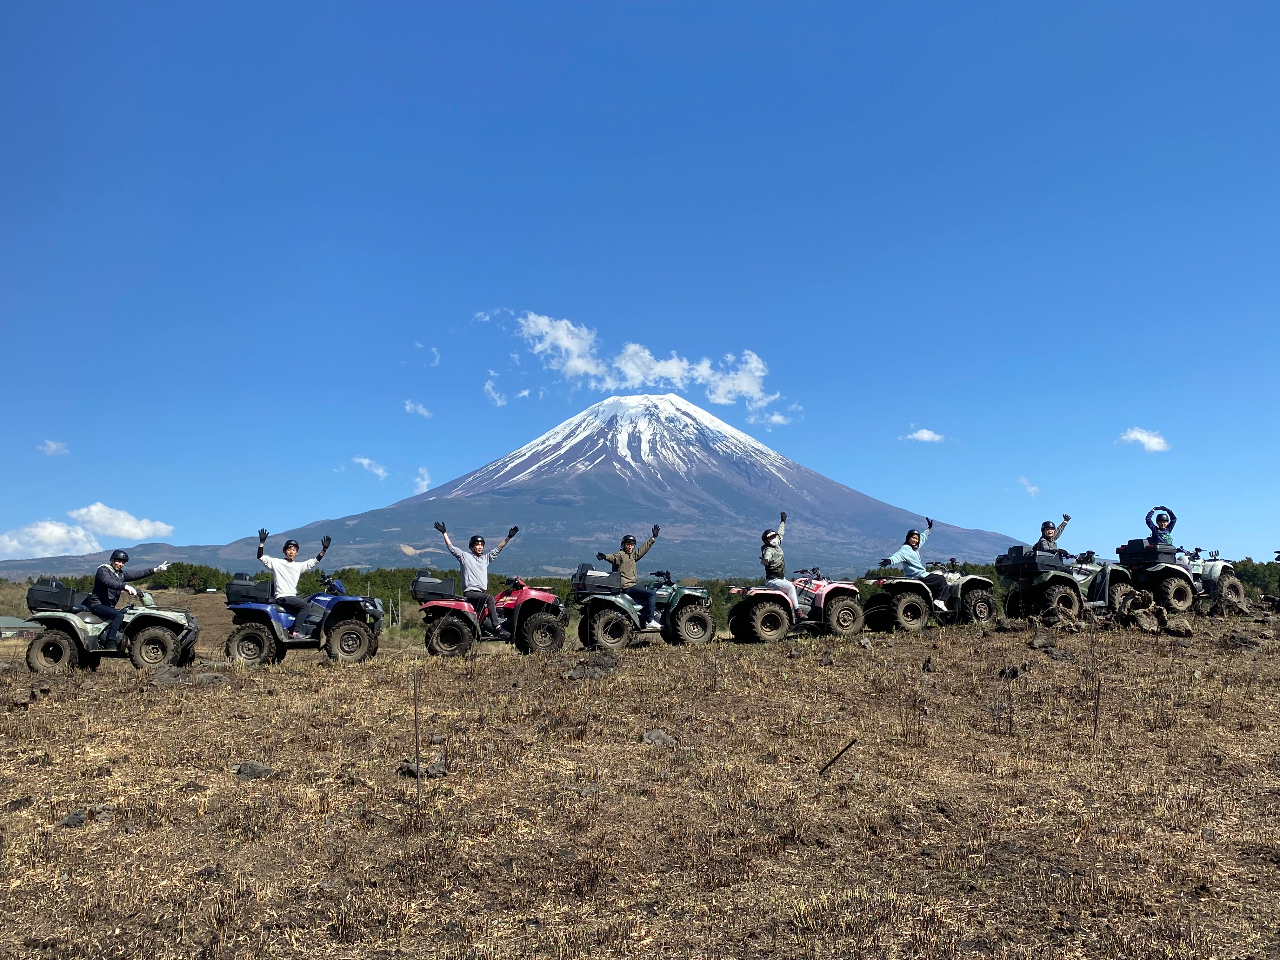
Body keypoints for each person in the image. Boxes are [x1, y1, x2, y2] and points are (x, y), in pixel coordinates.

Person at [435, 521, 517, 637]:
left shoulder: (485, 559)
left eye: (482, 545)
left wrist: (509, 537)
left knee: (498, 606)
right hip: (471, 593)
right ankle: (497, 628)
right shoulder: (465, 557)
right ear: (472, 547)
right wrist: (444, 533)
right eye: (477, 545)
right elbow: (451, 548)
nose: (480, 547)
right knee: (490, 599)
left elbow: (498, 548)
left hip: (480, 593)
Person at [87, 550, 170, 649]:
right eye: (118, 561)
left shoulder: (120, 574)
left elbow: (137, 574)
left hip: (109, 606)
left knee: (127, 613)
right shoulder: (103, 570)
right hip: (98, 605)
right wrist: (124, 586)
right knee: (118, 616)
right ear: (112, 560)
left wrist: (155, 570)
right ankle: (110, 643)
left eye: (123, 562)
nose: (121, 564)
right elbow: (108, 582)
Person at [258, 528, 331, 638]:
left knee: (309, 602)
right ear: (284, 551)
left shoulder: (298, 566)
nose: (291, 552)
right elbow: (261, 557)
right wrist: (262, 543)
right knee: (305, 606)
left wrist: (324, 549)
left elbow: (314, 562)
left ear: (296, 552)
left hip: (291, 597)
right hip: (283, 596)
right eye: (289, 549)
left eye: (294, 550)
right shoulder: (277, 563)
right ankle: (296, 632)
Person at [597, 525, 662, 629]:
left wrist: (653, 538)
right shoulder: (621, 555)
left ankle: (644, 616)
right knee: (652, 594)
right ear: (623, 545)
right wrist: (605, 556)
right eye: (628, 544)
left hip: (631, 586)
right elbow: (614, 557)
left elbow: (642, 550)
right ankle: (650, 621)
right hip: (628, 587)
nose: (630, 547)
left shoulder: (632, 556)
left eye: (632, 545)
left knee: (647, 590)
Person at [879, 518, 948, 611]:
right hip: (918, 576)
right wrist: (889, 560)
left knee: (937, 579)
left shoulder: (914, 548)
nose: (915, 540)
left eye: (916, 538)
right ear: (908, 538)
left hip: (918, 575)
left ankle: (932, 600)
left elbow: (922, 538)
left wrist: (928, 529)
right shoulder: (905, 549)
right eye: (913, 538)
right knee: (941, 579)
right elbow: (897, 556)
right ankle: (939, 600)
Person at [760, 511, 799, 612]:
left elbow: (780, 532)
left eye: (774, 536)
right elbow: (767, 555)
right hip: (773, 580)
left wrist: (783, 522)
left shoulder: (777, 543)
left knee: (796, 586)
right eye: (770, 538)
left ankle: (792, 607)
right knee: (790, 587)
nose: (774, 539)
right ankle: (797, 611)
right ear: (766, 541)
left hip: (781, 578)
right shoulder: (769, 549)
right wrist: (765, 560)